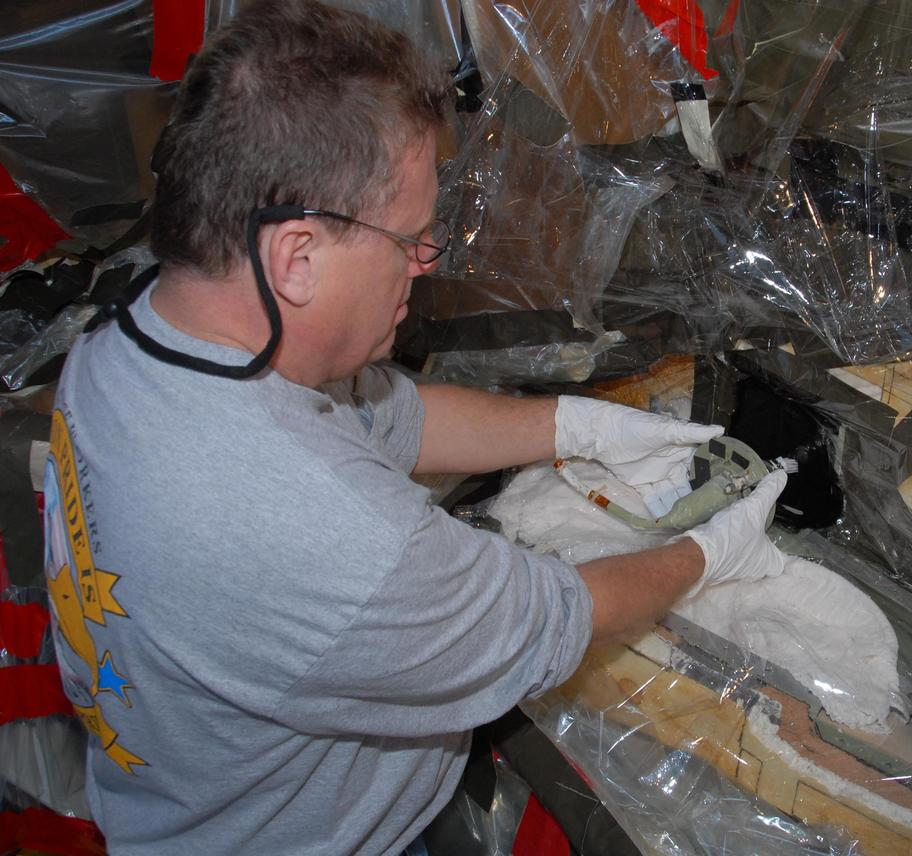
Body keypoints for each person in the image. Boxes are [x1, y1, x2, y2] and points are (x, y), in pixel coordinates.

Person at [41, 0, 788, 852]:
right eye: (412, 238)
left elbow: (390, 417)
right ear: (296, 257)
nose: (427, 264)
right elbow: (558, 620)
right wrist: (709, 552)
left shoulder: (131, 342)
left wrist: (577, 427)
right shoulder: (329, 537)